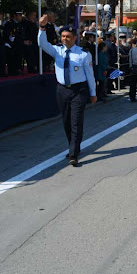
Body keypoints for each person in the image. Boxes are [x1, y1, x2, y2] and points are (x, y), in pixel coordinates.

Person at [38, 15, 97, 167]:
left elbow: (90, 75)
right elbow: (42, 43)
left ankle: (73, 153)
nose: (65, 39)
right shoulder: (57, 51)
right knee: (66, 121)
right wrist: (42, 28)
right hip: (62, 90)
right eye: (63, 36)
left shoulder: (83, 53)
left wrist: (93, 93)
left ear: (75, 38)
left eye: (68, 37)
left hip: (79, 90)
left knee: (76, 121)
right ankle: (72, 145)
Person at [4, 10, 24, 75]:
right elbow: (8, 35)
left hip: (19, 43)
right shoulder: (9, 24)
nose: (21, 17)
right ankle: (13, 69)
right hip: (12, 44)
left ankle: (18, 67)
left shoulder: (19, 24)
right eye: (19, 15)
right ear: (15, 16)